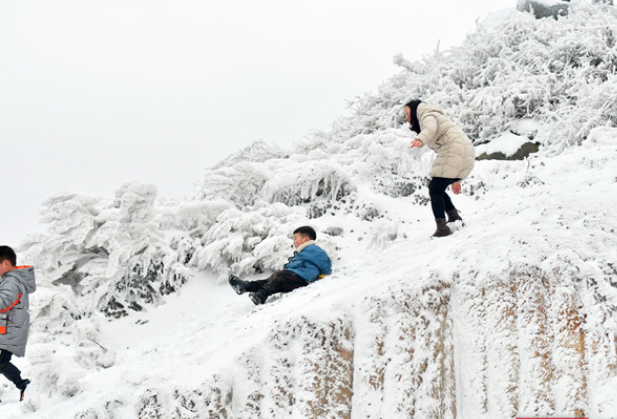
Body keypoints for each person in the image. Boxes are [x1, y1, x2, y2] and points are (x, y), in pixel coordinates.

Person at [404, 100, 475, 237]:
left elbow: (430, 129)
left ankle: (442, 227)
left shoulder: (427, 116)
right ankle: (454, 218)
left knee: (434, 189)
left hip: (454, 151)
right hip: (466, 154)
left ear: (414, 111)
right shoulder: (437, 115)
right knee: (438, 188)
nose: (406, 118)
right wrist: (456, 178)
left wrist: (421, 139)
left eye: (407, 113)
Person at [229, 226, 332, 305]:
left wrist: (320, 278)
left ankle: (261, 296)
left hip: (303, 279)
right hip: (295, 279)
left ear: (305, 240)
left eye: (296, 239)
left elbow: (326, 264)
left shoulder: (314, 250)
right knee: (270, 281)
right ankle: (245, 286)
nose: (294, 242)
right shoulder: (302, 253)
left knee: (279, 276)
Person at [0, 245, 36, 402]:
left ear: (6, 263)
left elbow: (4, 302)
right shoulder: (10, 280)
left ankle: (23, 385)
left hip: (8, 331)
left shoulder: (11, 282)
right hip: (7, 328)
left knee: (1, 363)